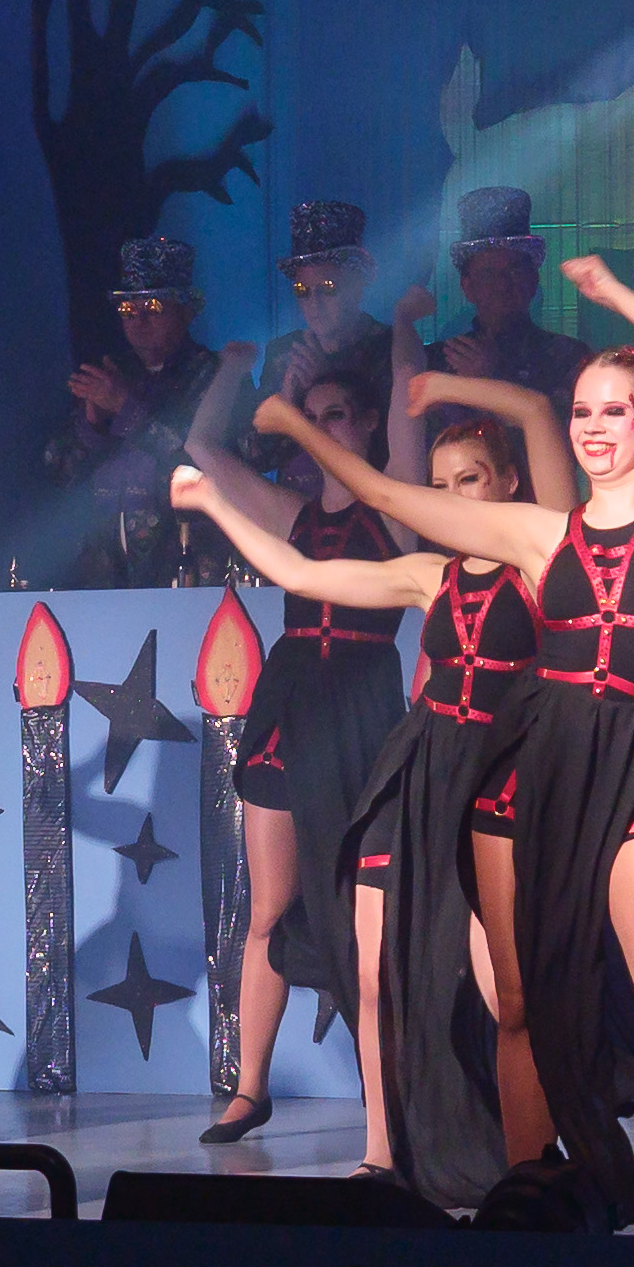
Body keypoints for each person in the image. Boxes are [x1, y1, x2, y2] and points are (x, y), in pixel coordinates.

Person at [334, 261, 634, 1233]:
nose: (591, 426)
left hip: (627, 771)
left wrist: (611, 295)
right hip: (525, 768)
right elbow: (394, 500)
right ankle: (529, 1204)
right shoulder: (546, 535)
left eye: (613, 410)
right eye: (581, 410)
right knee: (520, 1007)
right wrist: (297, 433)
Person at [185, 375, 575, 1205]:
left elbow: (540, 410)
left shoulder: (545, 561)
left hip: (494, 786)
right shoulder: (428, 574)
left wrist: (443, 384)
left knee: (503, 992)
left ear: (507, 483)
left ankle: (530, 1155)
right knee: (374, 972)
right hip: (413, 775)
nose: (453, 499)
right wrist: (216, 505)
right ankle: (380, 1151)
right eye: (439, 485)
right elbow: (298, 569)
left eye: (470, 480)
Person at [172, 364, 414, 1147]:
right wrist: (232, 359)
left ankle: (394, 1109)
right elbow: (204, 447)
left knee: (361, 917)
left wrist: (407, 323)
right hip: (291, 705)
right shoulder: (295, 514)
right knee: (268, 909)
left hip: (359, 711)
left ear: (370, 421)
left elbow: (407, 387)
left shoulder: (397, 508)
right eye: (313, 416)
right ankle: (250, 1088)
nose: (322, 429)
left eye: (337, 414)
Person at [43, 235, 241, 589]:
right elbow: (57, 469)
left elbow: (207, 463)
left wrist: (125, 408)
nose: (138, 321)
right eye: (127, 311)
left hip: (188, 567)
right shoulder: (112, 372)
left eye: (153, 308)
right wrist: (93, 423)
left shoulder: (213, 375)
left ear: (185, 311)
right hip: (103, 574)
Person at [427, 187, 592, 409]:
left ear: (533, 279)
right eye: (488, 273)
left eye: (515, 269)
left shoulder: (569, 359)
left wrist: (492, 379)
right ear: (467, 286)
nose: (503, 284)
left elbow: (562, 425)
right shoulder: (439, 362)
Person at [262, 201, 397, 420]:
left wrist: (327, 381)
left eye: (328, 287)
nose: (314, 303)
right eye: (302, 290)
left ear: (356, 287)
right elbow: (257, 438)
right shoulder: (283, 352)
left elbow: (391, 434)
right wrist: (286, 398)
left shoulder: (392, 350)